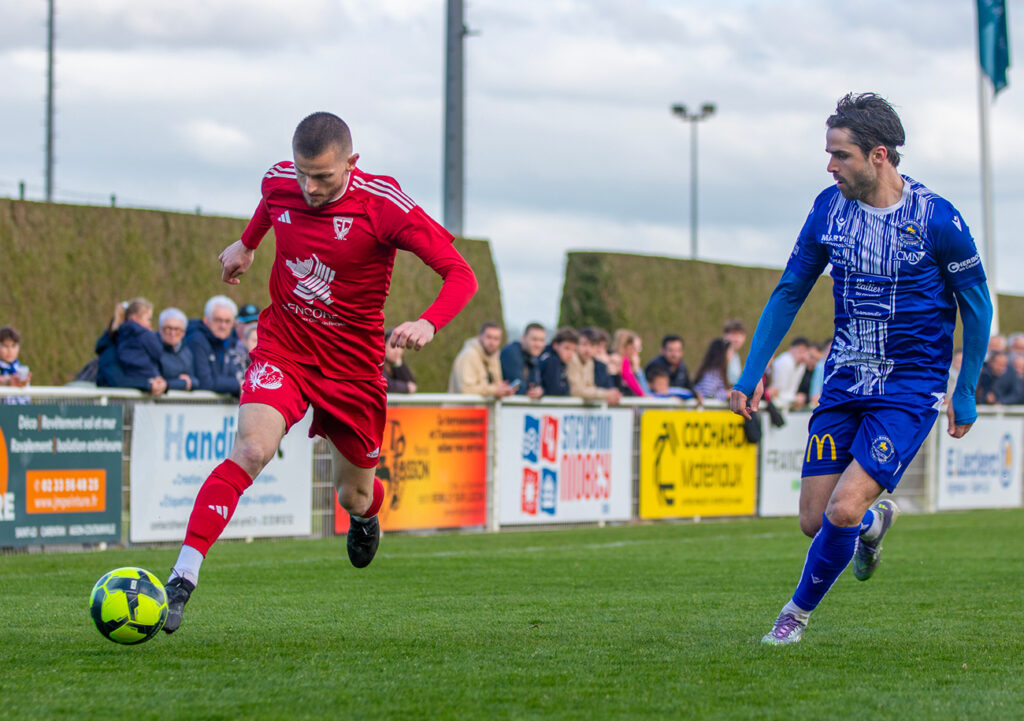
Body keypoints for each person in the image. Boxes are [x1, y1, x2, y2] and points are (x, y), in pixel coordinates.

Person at [162, 112, 477, 634]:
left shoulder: (384, 205)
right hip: (285, 348)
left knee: (352, 494)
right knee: (251, 449)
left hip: (353, 371)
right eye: (303, 174)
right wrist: (247, 243)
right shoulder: (280, 181)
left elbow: (460, 274)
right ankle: (181, 577)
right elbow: (271, 203)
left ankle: (366, 514)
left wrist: (428, 321)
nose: (309, 188)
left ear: (352, 163)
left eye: (323, 177)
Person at [730, 93, 992, 645]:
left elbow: (978, 304)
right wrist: (749, 374)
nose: (830, 165)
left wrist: (964, 391)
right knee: (815, 519)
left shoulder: (936, 218)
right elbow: (790, 292)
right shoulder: (828, 208)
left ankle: (793, 616)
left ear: (879, 155)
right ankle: (873, 526)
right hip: (844, 380)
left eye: (840, 155)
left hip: (909, 387)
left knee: (843, 506)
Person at [186, 295, 248, 396]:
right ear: (206, 320)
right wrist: (237, 385)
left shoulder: (228, 342)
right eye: (218, 320)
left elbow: (233, 374)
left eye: (227, 321)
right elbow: (205, 382)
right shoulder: (196, 340)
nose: (223, 326)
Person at [115, 297, 168, 397]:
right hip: (147, 377)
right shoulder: (144, 333)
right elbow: (158, 352)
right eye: (148, 319)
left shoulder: (120, 333)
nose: (150, 323)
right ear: (135, 317)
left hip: (131, 377)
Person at [448, 322, 515, 397]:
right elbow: (465, 389)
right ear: (479, 336)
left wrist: (503, 391)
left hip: (484, 408)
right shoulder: (469, 355)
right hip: (462, 408)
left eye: (496, 339)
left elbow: (494, 386)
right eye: (489, 337)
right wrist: (494, 390)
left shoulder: (494, 357)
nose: (492, 342)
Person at [568, 326, 622, 405]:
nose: (587, 350)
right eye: (584, 344)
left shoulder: (589, 362)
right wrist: (605, 394)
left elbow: (589, 387)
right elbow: (576, 390)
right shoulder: (572, 359)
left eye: (592, 345)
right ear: (576, 344)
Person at [500, 323, 546, 399]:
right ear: (523, 338)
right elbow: (518, 388)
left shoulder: (532, 357)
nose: (538, 344)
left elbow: (536, 384)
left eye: (541, 340)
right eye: (534, 339)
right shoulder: (511, 352)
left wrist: (540, 391)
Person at [158, 308, 198, 391]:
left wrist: (188, 382)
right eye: (168, 328)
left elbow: (195, 381)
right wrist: (182, 383)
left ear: (184, 332)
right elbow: (158, 384)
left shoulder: (187, 352)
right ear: (160, 329)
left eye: (177, 329)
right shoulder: (153, 350)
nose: (173, 333)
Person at [769, 336, 811, 410]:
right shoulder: (784, 361)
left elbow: (792, 389)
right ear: (791, 349)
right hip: (775, 404)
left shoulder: (801, 365)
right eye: (800, 351)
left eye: (805, 352)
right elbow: (778, 392)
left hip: (787, 404)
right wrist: (795, 398)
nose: (803, 355)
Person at [539, 328, 578, 396]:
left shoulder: (561, 362)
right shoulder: (552, 360)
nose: (570, 353)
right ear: (555, 346)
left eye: (574, 350)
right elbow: (555, 391)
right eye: (567, 348)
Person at [0, 325, 31, 404]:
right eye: (5, 346)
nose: (10, 350)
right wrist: (8, 382)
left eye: (13, 346)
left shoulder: (22, 370)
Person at [614, 329, 649, 397]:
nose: (636, 352)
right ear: (628, 347)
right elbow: (632, 382)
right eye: (636, 348)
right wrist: (636, 370)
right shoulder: (623, 361)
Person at [383, 328, 417, 394]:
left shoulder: (396, 366)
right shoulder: (377, 365)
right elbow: (386, 385)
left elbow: (412, 384)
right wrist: (406, 388)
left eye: (400, 346)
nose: (397, 351)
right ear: (383, 347)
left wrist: (399, 365)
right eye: (392, 346)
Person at [723, 319, 747, 386]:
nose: (737, 339)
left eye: (740, 335)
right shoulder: (722, 354)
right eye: (733, 334)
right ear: (725, 335)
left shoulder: (736, 356)